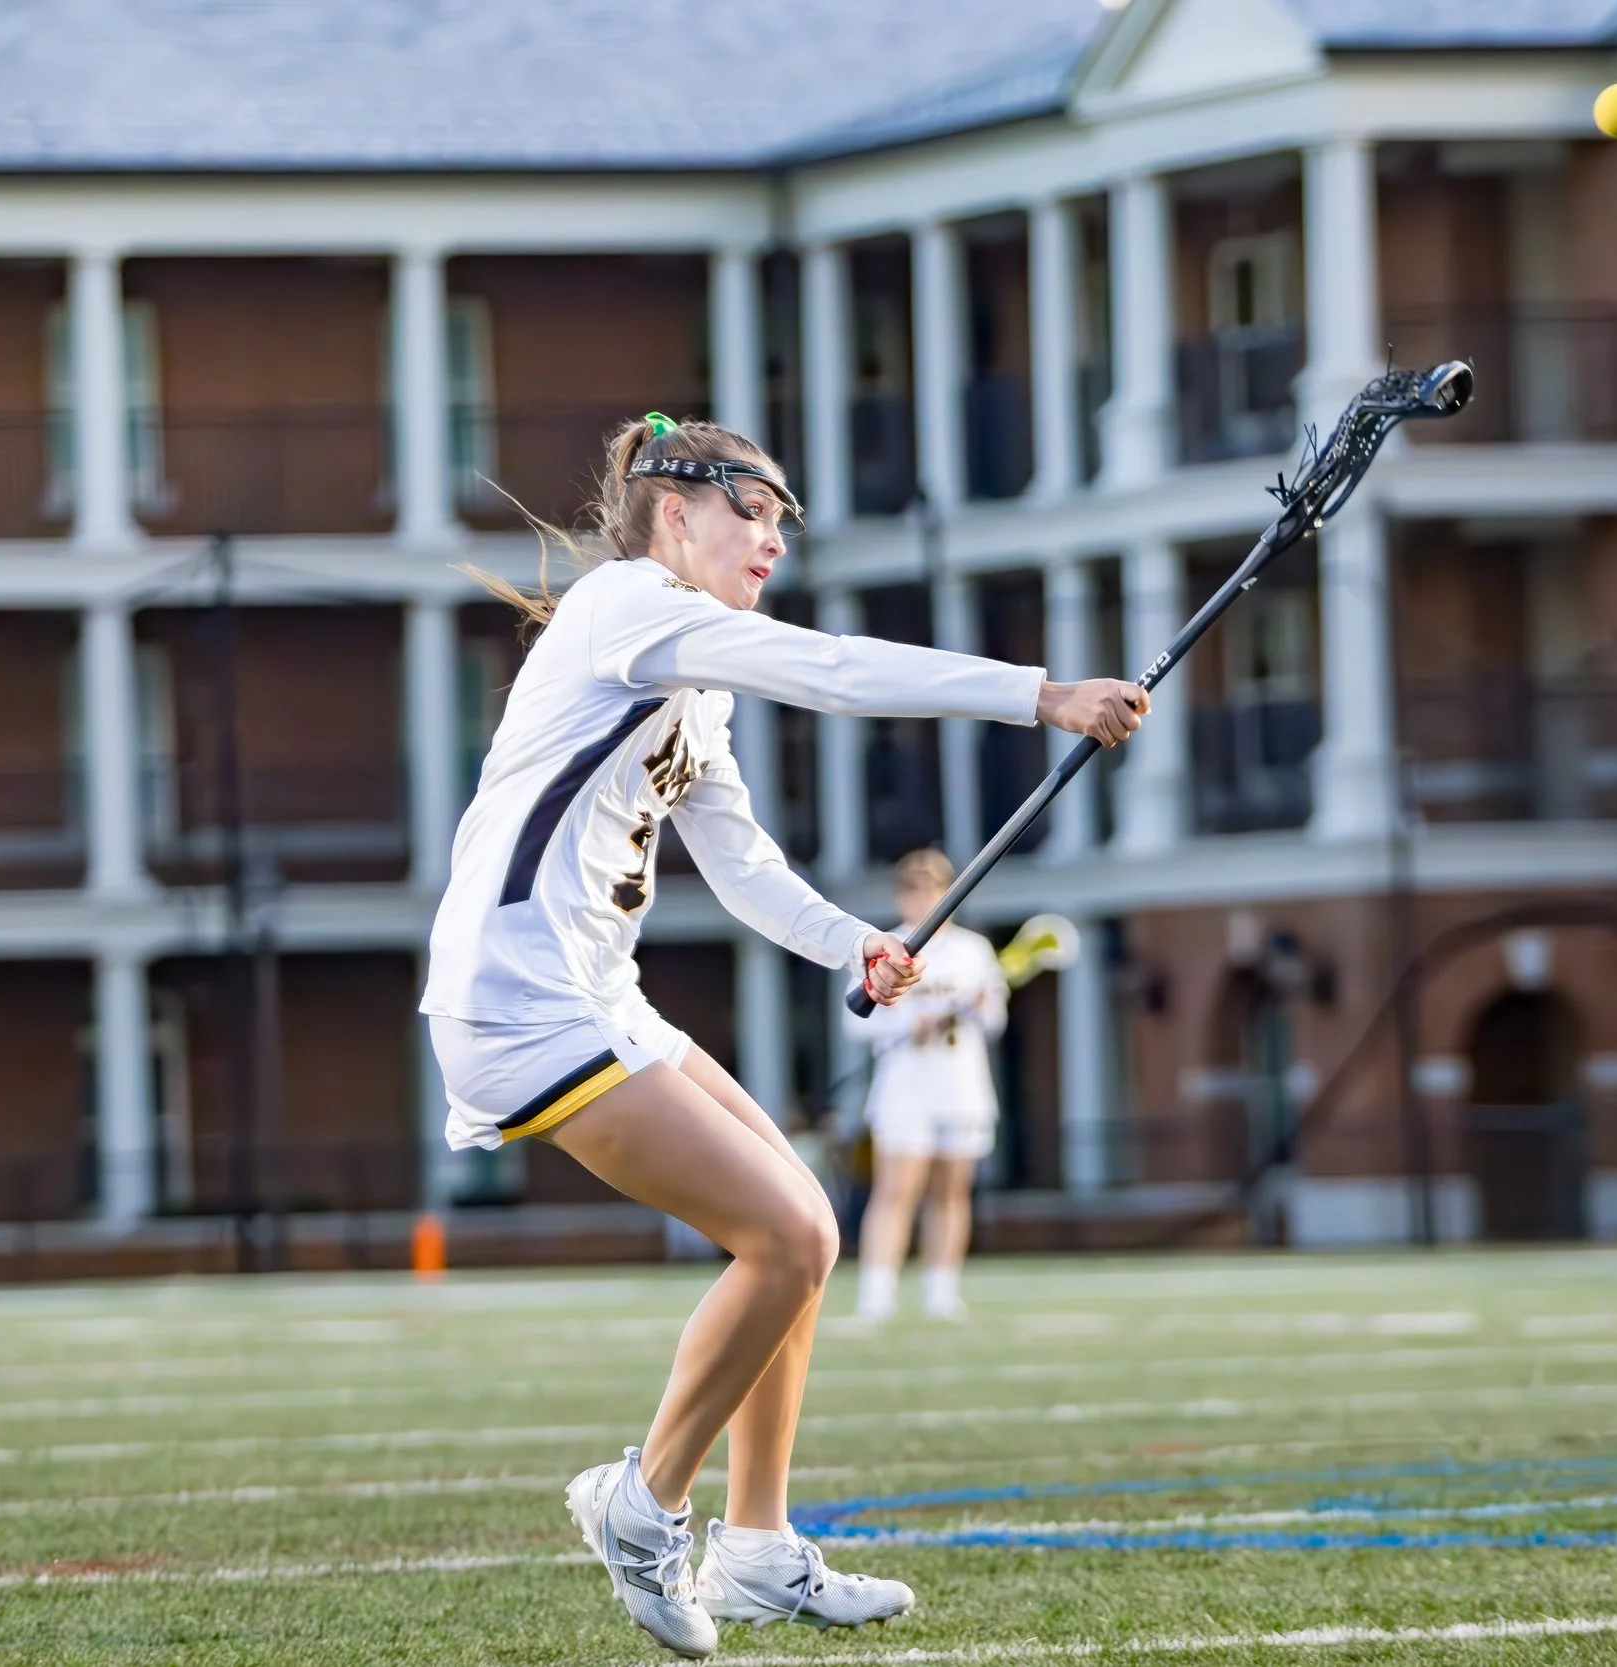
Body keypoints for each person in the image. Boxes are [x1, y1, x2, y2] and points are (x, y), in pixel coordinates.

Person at [420, 413, 1147, 1657]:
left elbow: (741, 860)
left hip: (598, 991)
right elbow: (839, 669)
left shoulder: (694, 678)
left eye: (780, 523)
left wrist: (850, 941)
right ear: (672, 513)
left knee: (797, 1225)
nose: (770, 541)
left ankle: (754, 1550)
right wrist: (1043, 696)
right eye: (750, 513)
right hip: (518, 998)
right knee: (795, 1233)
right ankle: (641, 1501)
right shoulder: (624, 606)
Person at [846, 847, 1008, 1323]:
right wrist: (903, 1027)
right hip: (905, 1090)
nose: (922, 897)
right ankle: (877, 1294)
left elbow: (993, 1019)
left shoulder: (973, 951)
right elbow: (857, 1020)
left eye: (933, 887)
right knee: (896, 1190)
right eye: (912, 887)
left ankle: (942, 1291)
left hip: (961, 1087)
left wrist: (979, 1004)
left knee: (952, 1191)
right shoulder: (885, 947)